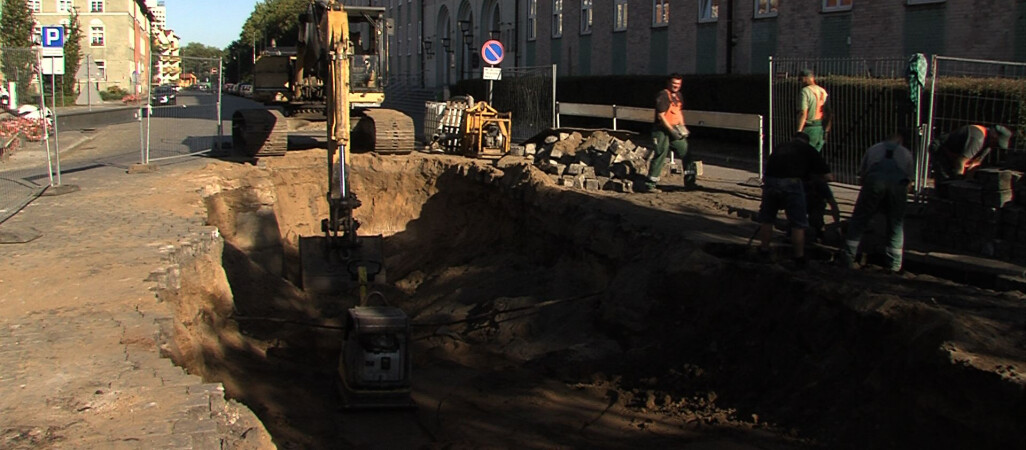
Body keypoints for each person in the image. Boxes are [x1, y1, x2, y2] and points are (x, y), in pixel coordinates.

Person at [840, 134, 914, 272]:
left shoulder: (874, 149)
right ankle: (894, 265)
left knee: (859, 221)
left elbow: (862, 174)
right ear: (901, 141)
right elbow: (909, 180)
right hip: (897, 187)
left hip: (874, 184)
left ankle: (848, 258)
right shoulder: (906, 153)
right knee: (895, 225)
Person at [756, 132, 833, 267]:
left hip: (770, 181)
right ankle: (799, 257)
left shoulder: (780, 147)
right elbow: (828, 177)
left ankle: (764, 250)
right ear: (806, 141)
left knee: (767, 219)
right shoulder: (809, 150)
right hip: (792, 183)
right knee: (798, 222)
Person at [644, 73, 695, 193]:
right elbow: (661, 116)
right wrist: (671, 130)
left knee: (686, 153)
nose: (676, 86)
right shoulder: (663, 96)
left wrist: (682, 128)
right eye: (674, 83)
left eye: (678, 84)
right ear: (669, 83)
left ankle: (690, 182)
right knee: (661, 153)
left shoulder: (678, 96)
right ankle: (650, 184)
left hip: (675, 129)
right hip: (661, 131)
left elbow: (678, 113)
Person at [932, 124, 1012, 182]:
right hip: (941, 149)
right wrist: (959, 181)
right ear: (994, 135)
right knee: (945, 182)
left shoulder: (988, 145)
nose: (995, 146)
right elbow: (961, 161)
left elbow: (974, 164)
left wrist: (968, 180)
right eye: (996, 142)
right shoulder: (978, 138)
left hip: (954, 156)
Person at [796, 69, 831, 152]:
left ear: (805, 78)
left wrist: (799, 131)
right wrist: (826, 130)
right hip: (820, 128)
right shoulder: (823, 91)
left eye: (800, 80)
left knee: (803, 156)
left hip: (809, 128)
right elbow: (828, 112)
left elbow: (803, 113)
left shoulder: (805, 92)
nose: (800, 82)